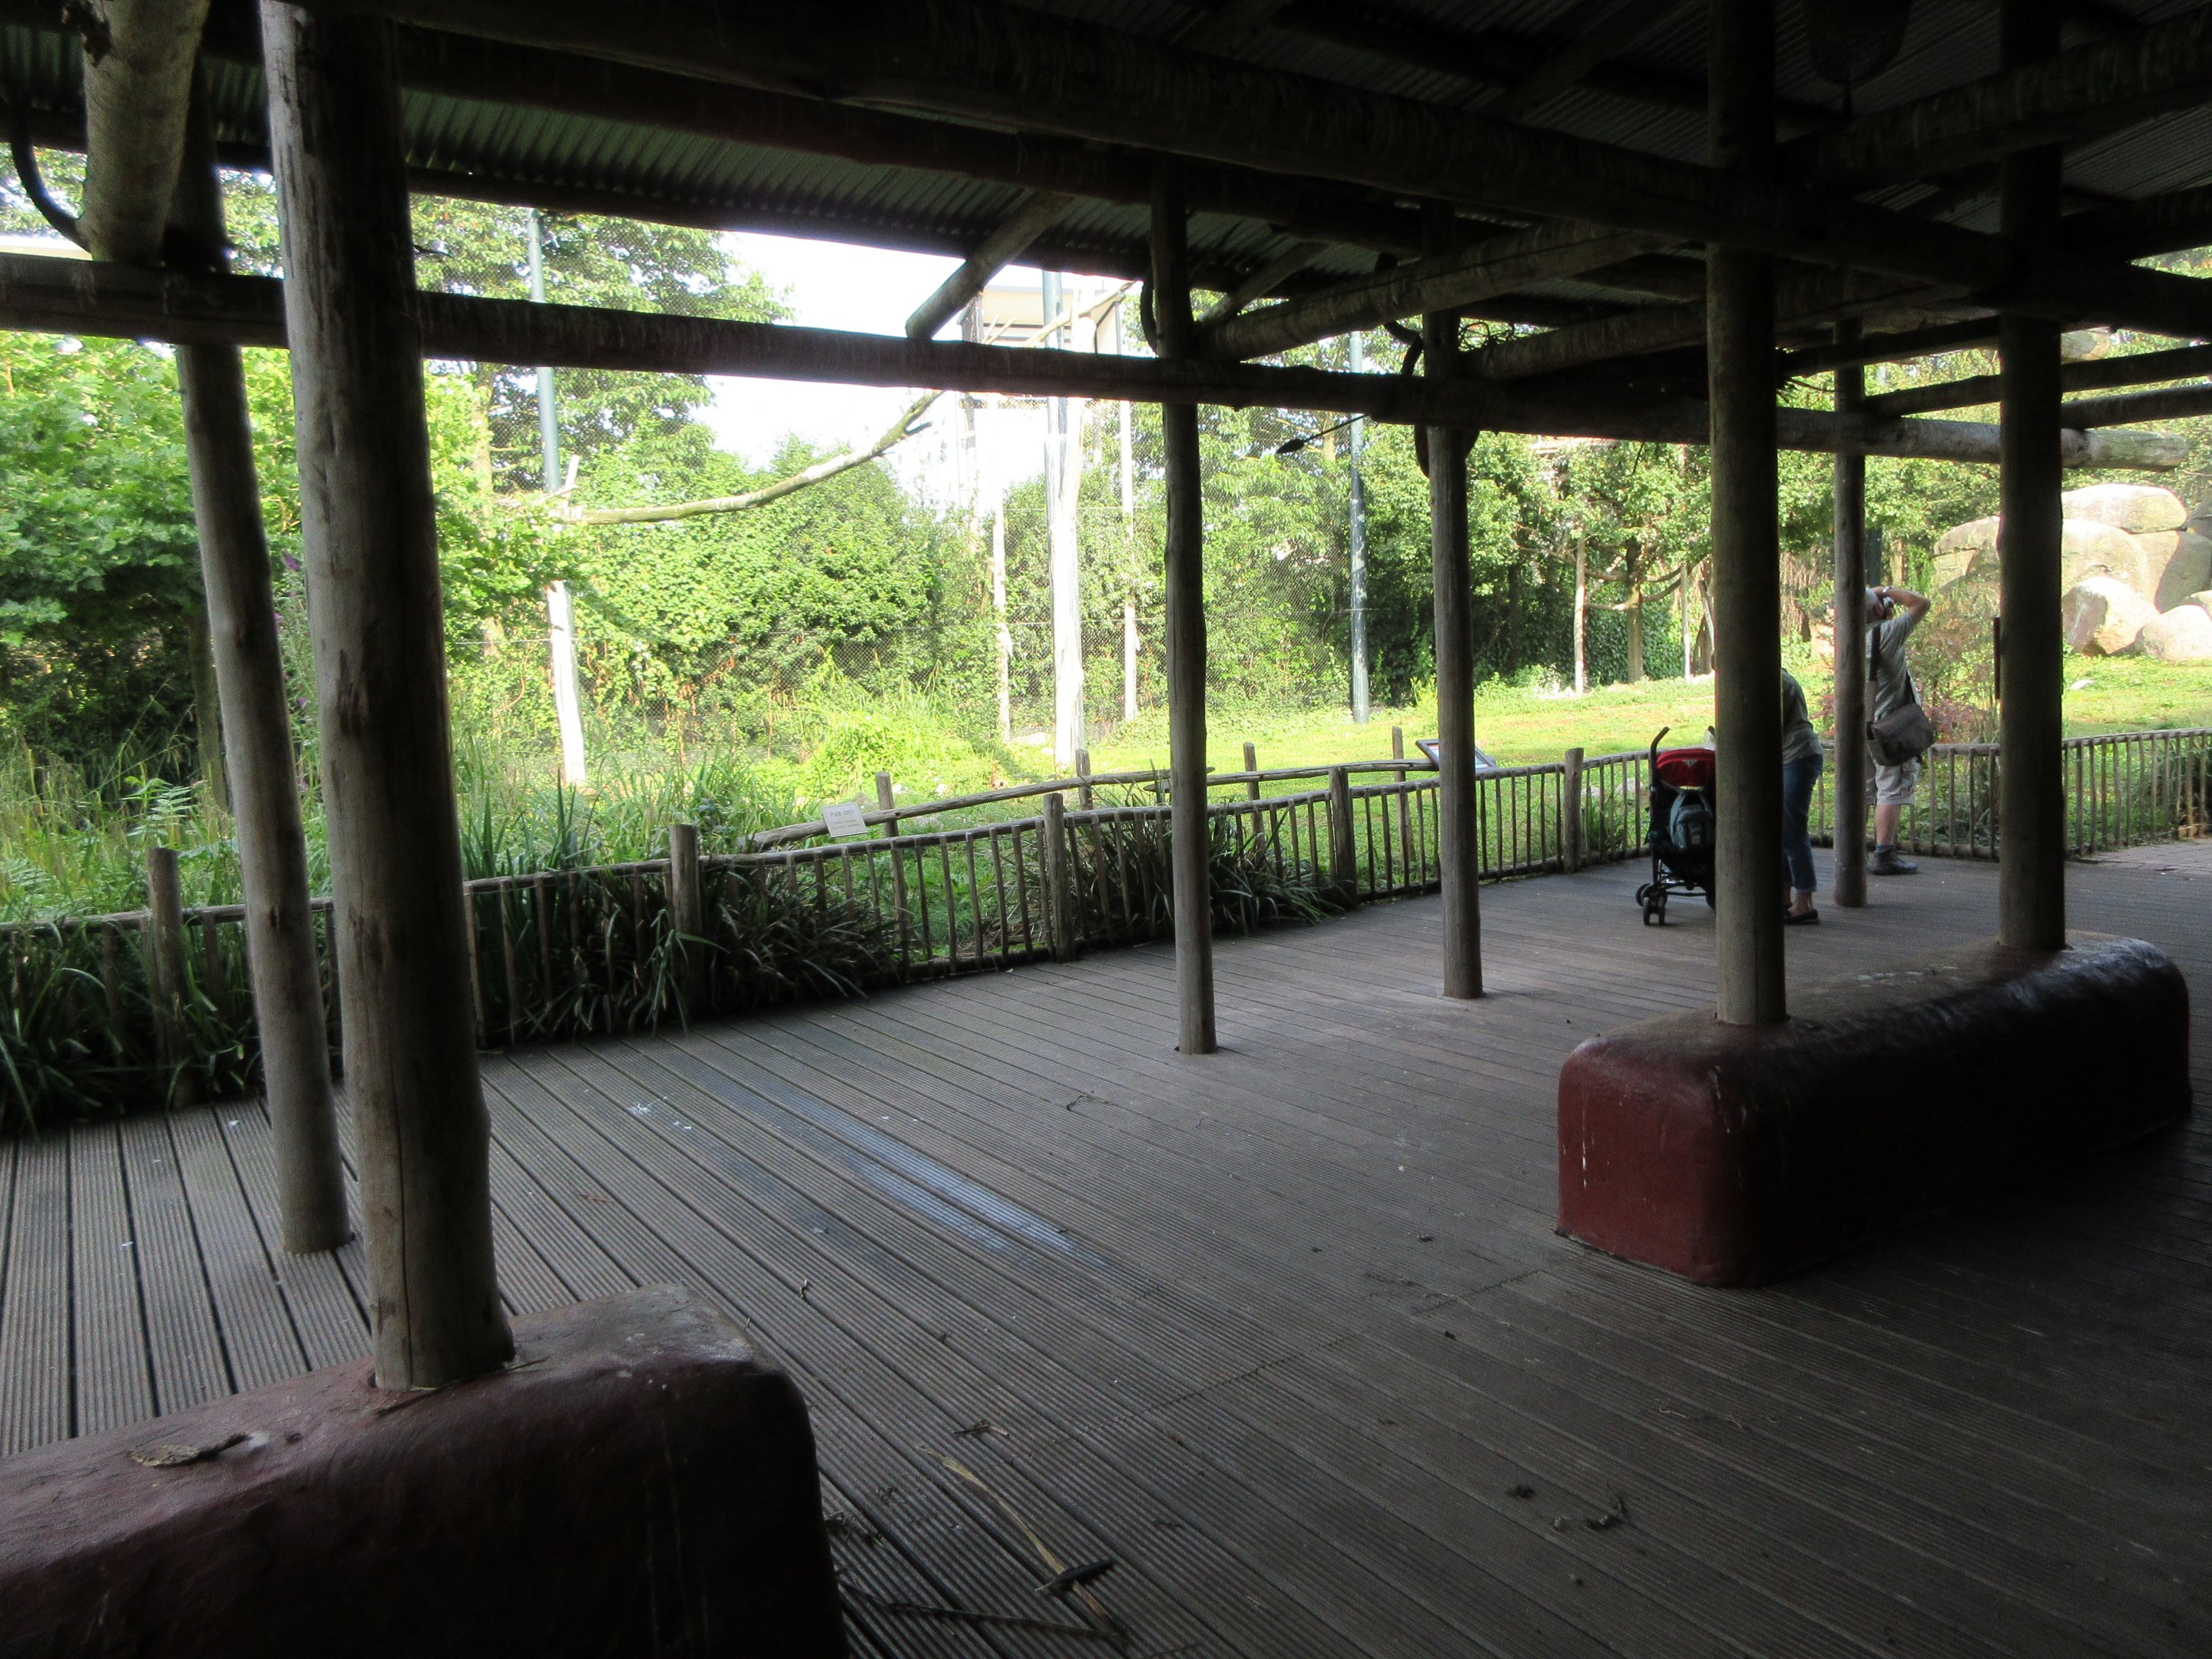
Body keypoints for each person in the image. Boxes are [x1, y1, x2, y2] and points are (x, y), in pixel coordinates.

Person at [1866, 581, 1933, 875]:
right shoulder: (1885, 633)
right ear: (1879, 610)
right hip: (1887, 728)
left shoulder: (1845, 637)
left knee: (1865, 790)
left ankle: (1853, 850)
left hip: (1858, 725)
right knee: (1890, 789)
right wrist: (1887, 590)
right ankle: (1884, 853)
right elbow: (1921, 603)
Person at [1779, 667, 1823, 923]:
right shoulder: (1779, 677)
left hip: (1797, 756)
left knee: (1791, 829)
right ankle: (1785, 898)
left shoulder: (1776, 683)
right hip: (1793, 756)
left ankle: (1804, 902)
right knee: (1783, 829)